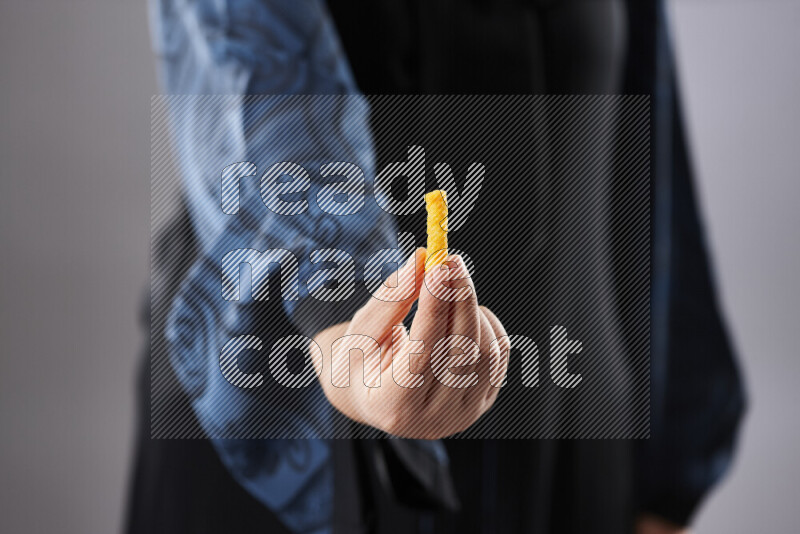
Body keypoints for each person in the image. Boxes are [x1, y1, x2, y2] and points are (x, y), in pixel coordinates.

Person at [127, 1, 745, 533]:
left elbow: (645, 146)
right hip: (305, 426)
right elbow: (255, 75)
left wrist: (672, 463)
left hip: (571, 454)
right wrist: (347, 316)